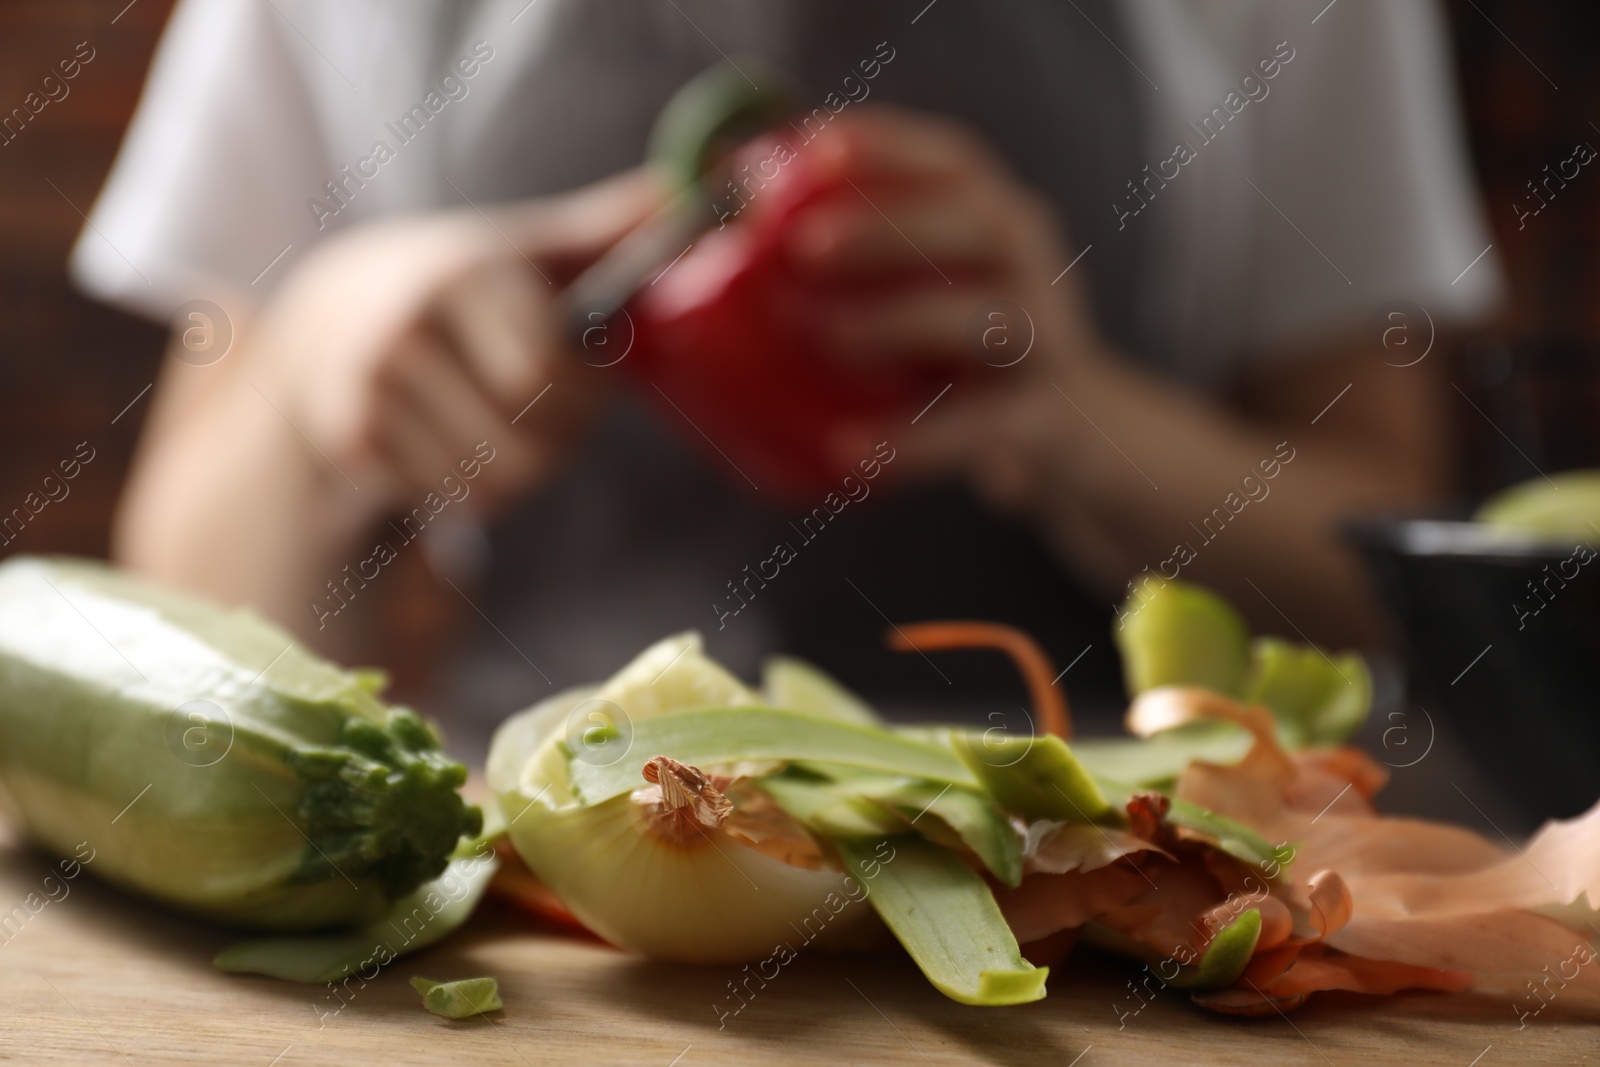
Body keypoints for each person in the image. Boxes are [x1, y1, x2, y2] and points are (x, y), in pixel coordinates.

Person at [72, 0, 1500, 752]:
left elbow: (1393, 572)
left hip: (1106, 882)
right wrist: (319, 366)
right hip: (539, 885)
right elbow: (187, 597)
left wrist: (1081, 430)